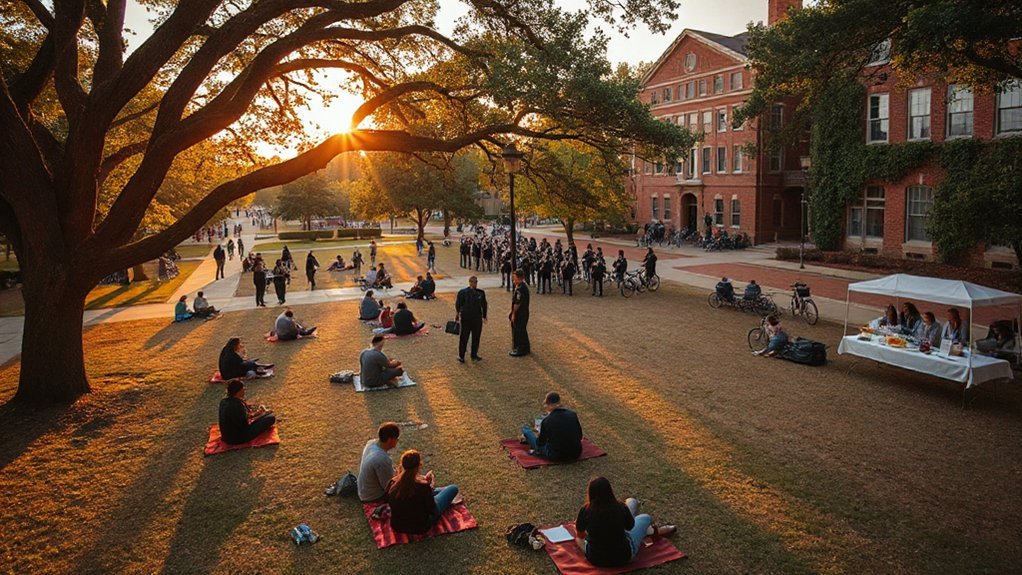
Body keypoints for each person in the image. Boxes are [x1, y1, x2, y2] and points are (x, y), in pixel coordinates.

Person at [574, 477, 676, 568]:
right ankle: (649, 530)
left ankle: (635, 508)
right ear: (610, 491)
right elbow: (630, 527)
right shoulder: (620, 507)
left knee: (578, 539)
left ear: (590, 493)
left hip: (596, 559)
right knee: (645, 517)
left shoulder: (585, 510)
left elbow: (580, 535)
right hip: (624, 556)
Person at [386, 450, 460, 535]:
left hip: (397, 526)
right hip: (421, 526)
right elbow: (433, 510)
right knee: (453, 488)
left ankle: (436, 492)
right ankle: (436, 491)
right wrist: (429, 487)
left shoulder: (393, 483)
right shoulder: (423, 487)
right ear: (419, 466)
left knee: (439, 492)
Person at [520, 391, 583, 461]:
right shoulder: (572, 414)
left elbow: (540, 443)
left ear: (547, 404)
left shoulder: (547, 421)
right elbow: (580, 436)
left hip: (556, 455)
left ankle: (525, 434)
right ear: (559, 401)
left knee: (525, 429)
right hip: (576, 453)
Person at [218, 380, 276, 445]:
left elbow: (240, 419)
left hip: (227, 437)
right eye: (243, 389)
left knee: (266, 415)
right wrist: (261, 415)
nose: (244, 391)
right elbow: (246, 424)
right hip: (239, 438)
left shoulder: (223, 401)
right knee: (271, 418)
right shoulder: (237, 405)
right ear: (238, 391)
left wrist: (257, 413)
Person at [358, 422, 401, 502]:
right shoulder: (382, 459)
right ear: (390, 440)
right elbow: (388, 487)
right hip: (373, 496)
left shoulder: (371, 443)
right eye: (396, 439)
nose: (397, 441)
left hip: (363, 489)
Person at [455, 275, 487, 363]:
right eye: (473, 282)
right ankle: (465, 355)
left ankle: (470, 355)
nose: (474, 284)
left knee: (473, 337)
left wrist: (484, 315)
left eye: (475, 282)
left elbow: (484, 305)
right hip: (469, 317)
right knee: (466, 337)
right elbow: (458, 304)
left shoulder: (478, 293)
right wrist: (457, 314)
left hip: (473, 317)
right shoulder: (477, 293)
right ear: (470, 282)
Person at [510, 269, 531, 356]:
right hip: (523, 313)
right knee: (522, 331)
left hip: (520, 314)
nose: (513, 279)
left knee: (519, 331)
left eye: (514, 277)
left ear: (519, 278)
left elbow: (517, 303)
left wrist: (513, 314)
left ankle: (521, 349)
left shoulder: (520, 288)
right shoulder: (521, 286)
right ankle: (525, 348)